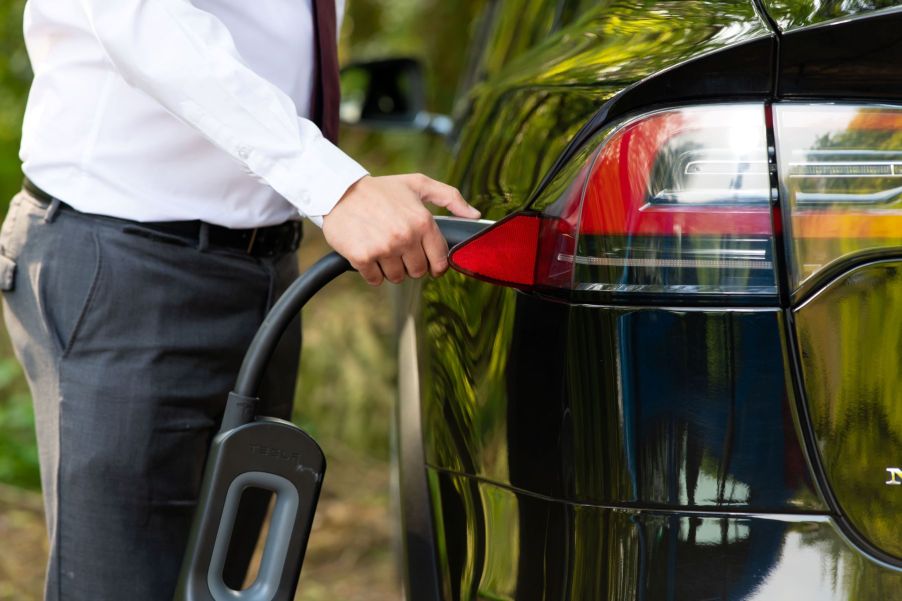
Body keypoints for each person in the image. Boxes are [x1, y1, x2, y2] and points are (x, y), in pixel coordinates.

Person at [0, 0, 479, 599]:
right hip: (127, 269)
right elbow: (141, 17)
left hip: (265, 267)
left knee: (226, 584)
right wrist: (337, 186)